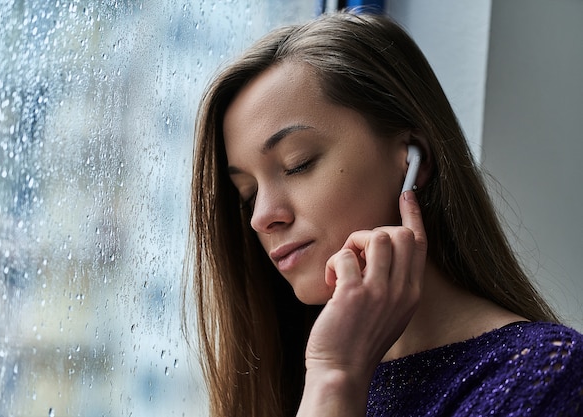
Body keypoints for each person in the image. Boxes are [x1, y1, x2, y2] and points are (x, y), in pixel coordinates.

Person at [187, 10, 583, 417]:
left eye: (298, 163)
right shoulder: (284, 384)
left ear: (414, 158)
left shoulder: (541, 373)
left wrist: (335, 379)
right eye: (247, 193)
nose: (261, 217)